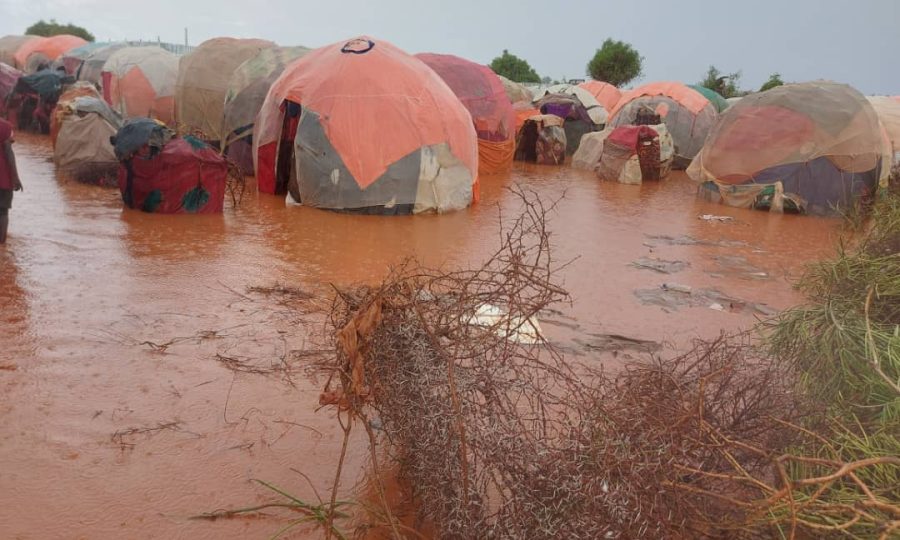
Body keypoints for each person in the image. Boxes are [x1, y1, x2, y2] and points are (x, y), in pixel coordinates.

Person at [0, 117, 23, 244]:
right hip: (3, 178)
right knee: (3, 212)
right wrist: (16, 177)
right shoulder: (5, 126)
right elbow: (9, 152)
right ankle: (2, 247)